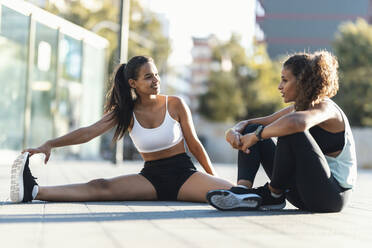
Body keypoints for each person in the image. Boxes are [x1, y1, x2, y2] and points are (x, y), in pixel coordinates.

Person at [10, 55, 233, 203]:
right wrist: (50, 144)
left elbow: (194, 144)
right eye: (148, 77)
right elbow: (88, 132)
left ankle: (259, 193)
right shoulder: (125, 112)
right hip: (151, 178)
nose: (155, 80)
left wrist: (212, 177)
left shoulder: (175, 104)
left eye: (156, 74)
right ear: (133, 83)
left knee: (228, 193)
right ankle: (33, 191)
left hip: (184, 175)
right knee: (100, 186)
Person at [206, 51, 357, 213]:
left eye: (285, 80)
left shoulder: (326, 107)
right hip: (302, 193)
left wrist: (257, 136)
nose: (279, 86)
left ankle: (273, 193)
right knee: (253, 129)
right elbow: (251, 123)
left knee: (291, 130)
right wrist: (234, 131)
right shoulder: (298, 109)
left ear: (302, 82)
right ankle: (242, 191)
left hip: (331, 197)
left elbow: (296, 123)